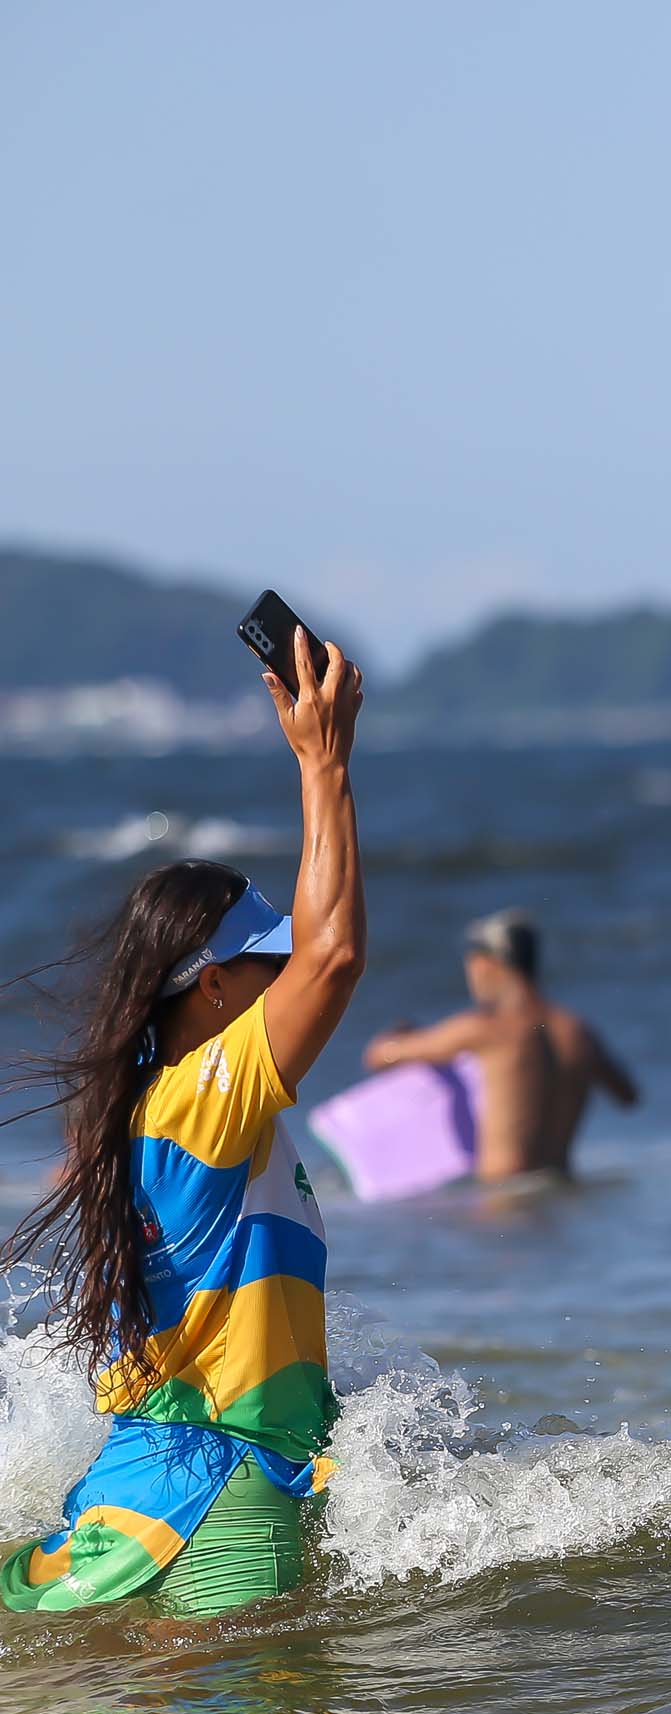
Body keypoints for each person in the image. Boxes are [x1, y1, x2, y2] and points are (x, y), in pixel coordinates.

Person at [2, 627, 366, 1617]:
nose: (291, 980)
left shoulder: (132, 1109)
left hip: (136, 1492)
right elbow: (335, 956)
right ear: (214, 988)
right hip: (223, 1499)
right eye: (269, 966)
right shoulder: (209, 1095)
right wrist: (323, 762)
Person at [362, 909, 639, 1182]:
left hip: (505, 1197)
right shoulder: (577, 1031)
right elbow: (627, 1096)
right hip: (560, 1189)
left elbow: (379, 1056)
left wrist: (398, 1038)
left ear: (487, 963)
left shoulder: (485, 1029)